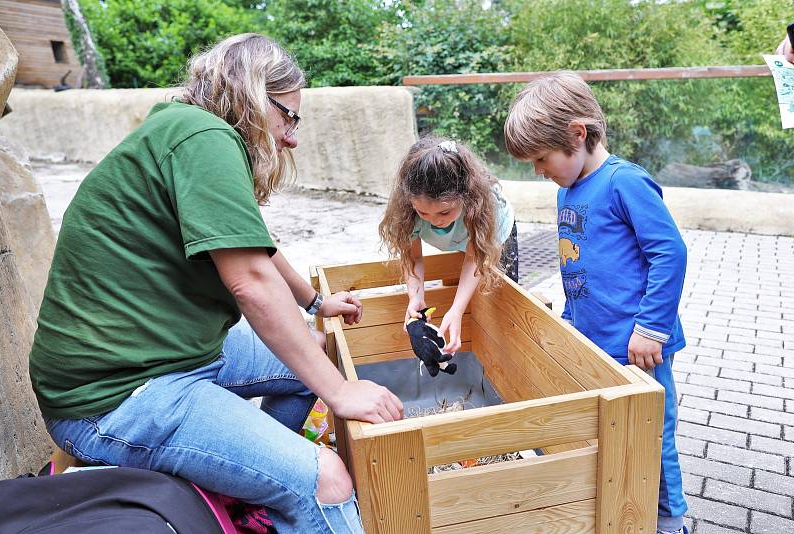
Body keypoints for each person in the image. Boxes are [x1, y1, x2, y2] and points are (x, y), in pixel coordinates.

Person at [29, 33, 403, 534]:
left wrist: (316, 302)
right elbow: (249, 280)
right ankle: (287, 486)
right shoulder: (202, 138)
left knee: (313, 351)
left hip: (163, 352)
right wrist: (339, 393)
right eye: (288, 115)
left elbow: (254, 245)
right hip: (116, 396)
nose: (292, 136)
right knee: (326, 481)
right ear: (251, 95)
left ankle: (255, 485)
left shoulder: (186, 131)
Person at [504, 72, 689, 534]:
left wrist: (650, 329)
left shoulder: (625, 182)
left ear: (577, 135)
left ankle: (671, 520)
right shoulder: (568, 189)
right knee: (610, 434)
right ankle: (618, 505)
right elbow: (580, 267)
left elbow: (670, 253)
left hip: (637, 346)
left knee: (651, 434)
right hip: (592, 339)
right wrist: (566, 321)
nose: (538, 170)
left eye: (542, 158)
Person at [378, 136, 517, 355]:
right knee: (462, 284)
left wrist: (457, 309)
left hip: (489, 235)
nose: (435, 220)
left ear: (465, 195)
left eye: (444, 212)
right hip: (459, 237)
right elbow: (414, 258)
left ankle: (503, 353)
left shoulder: (483, 206)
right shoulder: (406, 211)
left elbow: (475, 257)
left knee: (501, 299)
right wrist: (416, 297)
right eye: (423, 212)